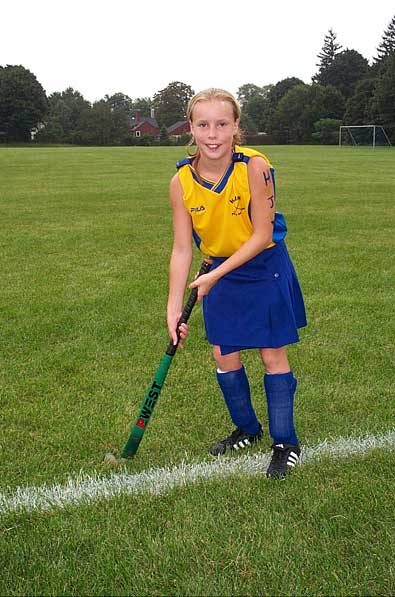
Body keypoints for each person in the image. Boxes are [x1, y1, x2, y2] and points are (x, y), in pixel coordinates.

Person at [167, 88, 307, 479]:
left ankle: (285, 442)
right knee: (224, 355)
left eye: (222, 124)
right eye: (203, 124)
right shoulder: (181, 181)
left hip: (262, 267)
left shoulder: (255, 167)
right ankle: (247, 428)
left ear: (236, 127)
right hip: (217, 268)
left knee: (270, 354)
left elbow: (262, 235)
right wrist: (173, 307)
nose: (213, 134)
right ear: (190, 129)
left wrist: (211, 276)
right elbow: (181, 249)